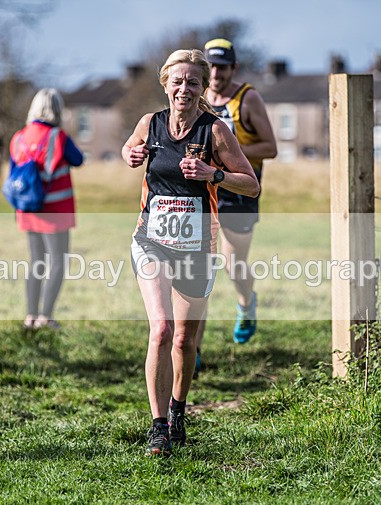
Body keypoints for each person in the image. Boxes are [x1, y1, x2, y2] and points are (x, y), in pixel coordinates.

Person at [122, 49, 259, 456]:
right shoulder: (150, 123)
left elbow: (251, 184)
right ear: (166, 84)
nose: (185, 88)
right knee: (162, 330)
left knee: (184, 340)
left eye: (193, 82)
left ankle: (178, 409)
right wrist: (131, 154)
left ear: (202, 88)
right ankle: (158, 427)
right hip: (151, 240)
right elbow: (130, 148)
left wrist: (212, 174)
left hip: (198, 247)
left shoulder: (214, 131)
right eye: (178, 81)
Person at [194, 38, 278, 372]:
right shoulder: (198, 97)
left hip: (240, 190)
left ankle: (246, 303)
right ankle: (193, 349)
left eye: (222, 67)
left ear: (234, 68)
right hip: (205, 189)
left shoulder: (247, 99)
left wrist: (230, 154)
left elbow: (270, 147)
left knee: (233, 264)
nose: (216, 74)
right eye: (211, 67)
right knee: (201, 269)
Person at [9, 88, 84, 330]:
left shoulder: (18, 137)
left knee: (36, 262)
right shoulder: (57, 136)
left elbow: (13, 172)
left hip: (28, 209)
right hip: (55, 211)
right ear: (57, 110)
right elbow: (78, 159)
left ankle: (30, 316)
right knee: (58, 262)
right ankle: (46, 317)